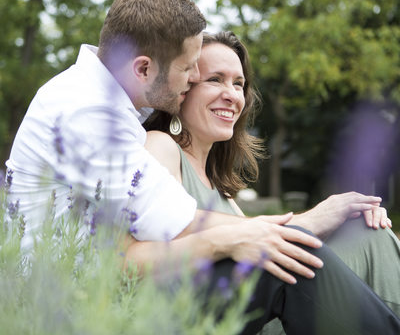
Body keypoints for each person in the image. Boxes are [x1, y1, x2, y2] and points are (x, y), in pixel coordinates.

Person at [6, 0, 399, 334]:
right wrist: (295, 226)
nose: (193, 77)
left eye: (238, 83)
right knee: (283, 255)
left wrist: (278, 229)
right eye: (190, 69)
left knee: (341, 238)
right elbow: (152, 246)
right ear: (143, 68)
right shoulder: (90, 114)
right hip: (82, 311)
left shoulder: (104, 104)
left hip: (108, 293)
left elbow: (183, 223)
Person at [139, 30, 400, 333]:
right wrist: (312, 219)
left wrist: (350, 215)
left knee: (368, 231)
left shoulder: (220, 191)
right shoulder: (160, 145)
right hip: (196, 317)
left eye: (239, 84)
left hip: (269, 311)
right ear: (183, 88)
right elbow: (160, 230)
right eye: (215, 79)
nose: (232, 94)